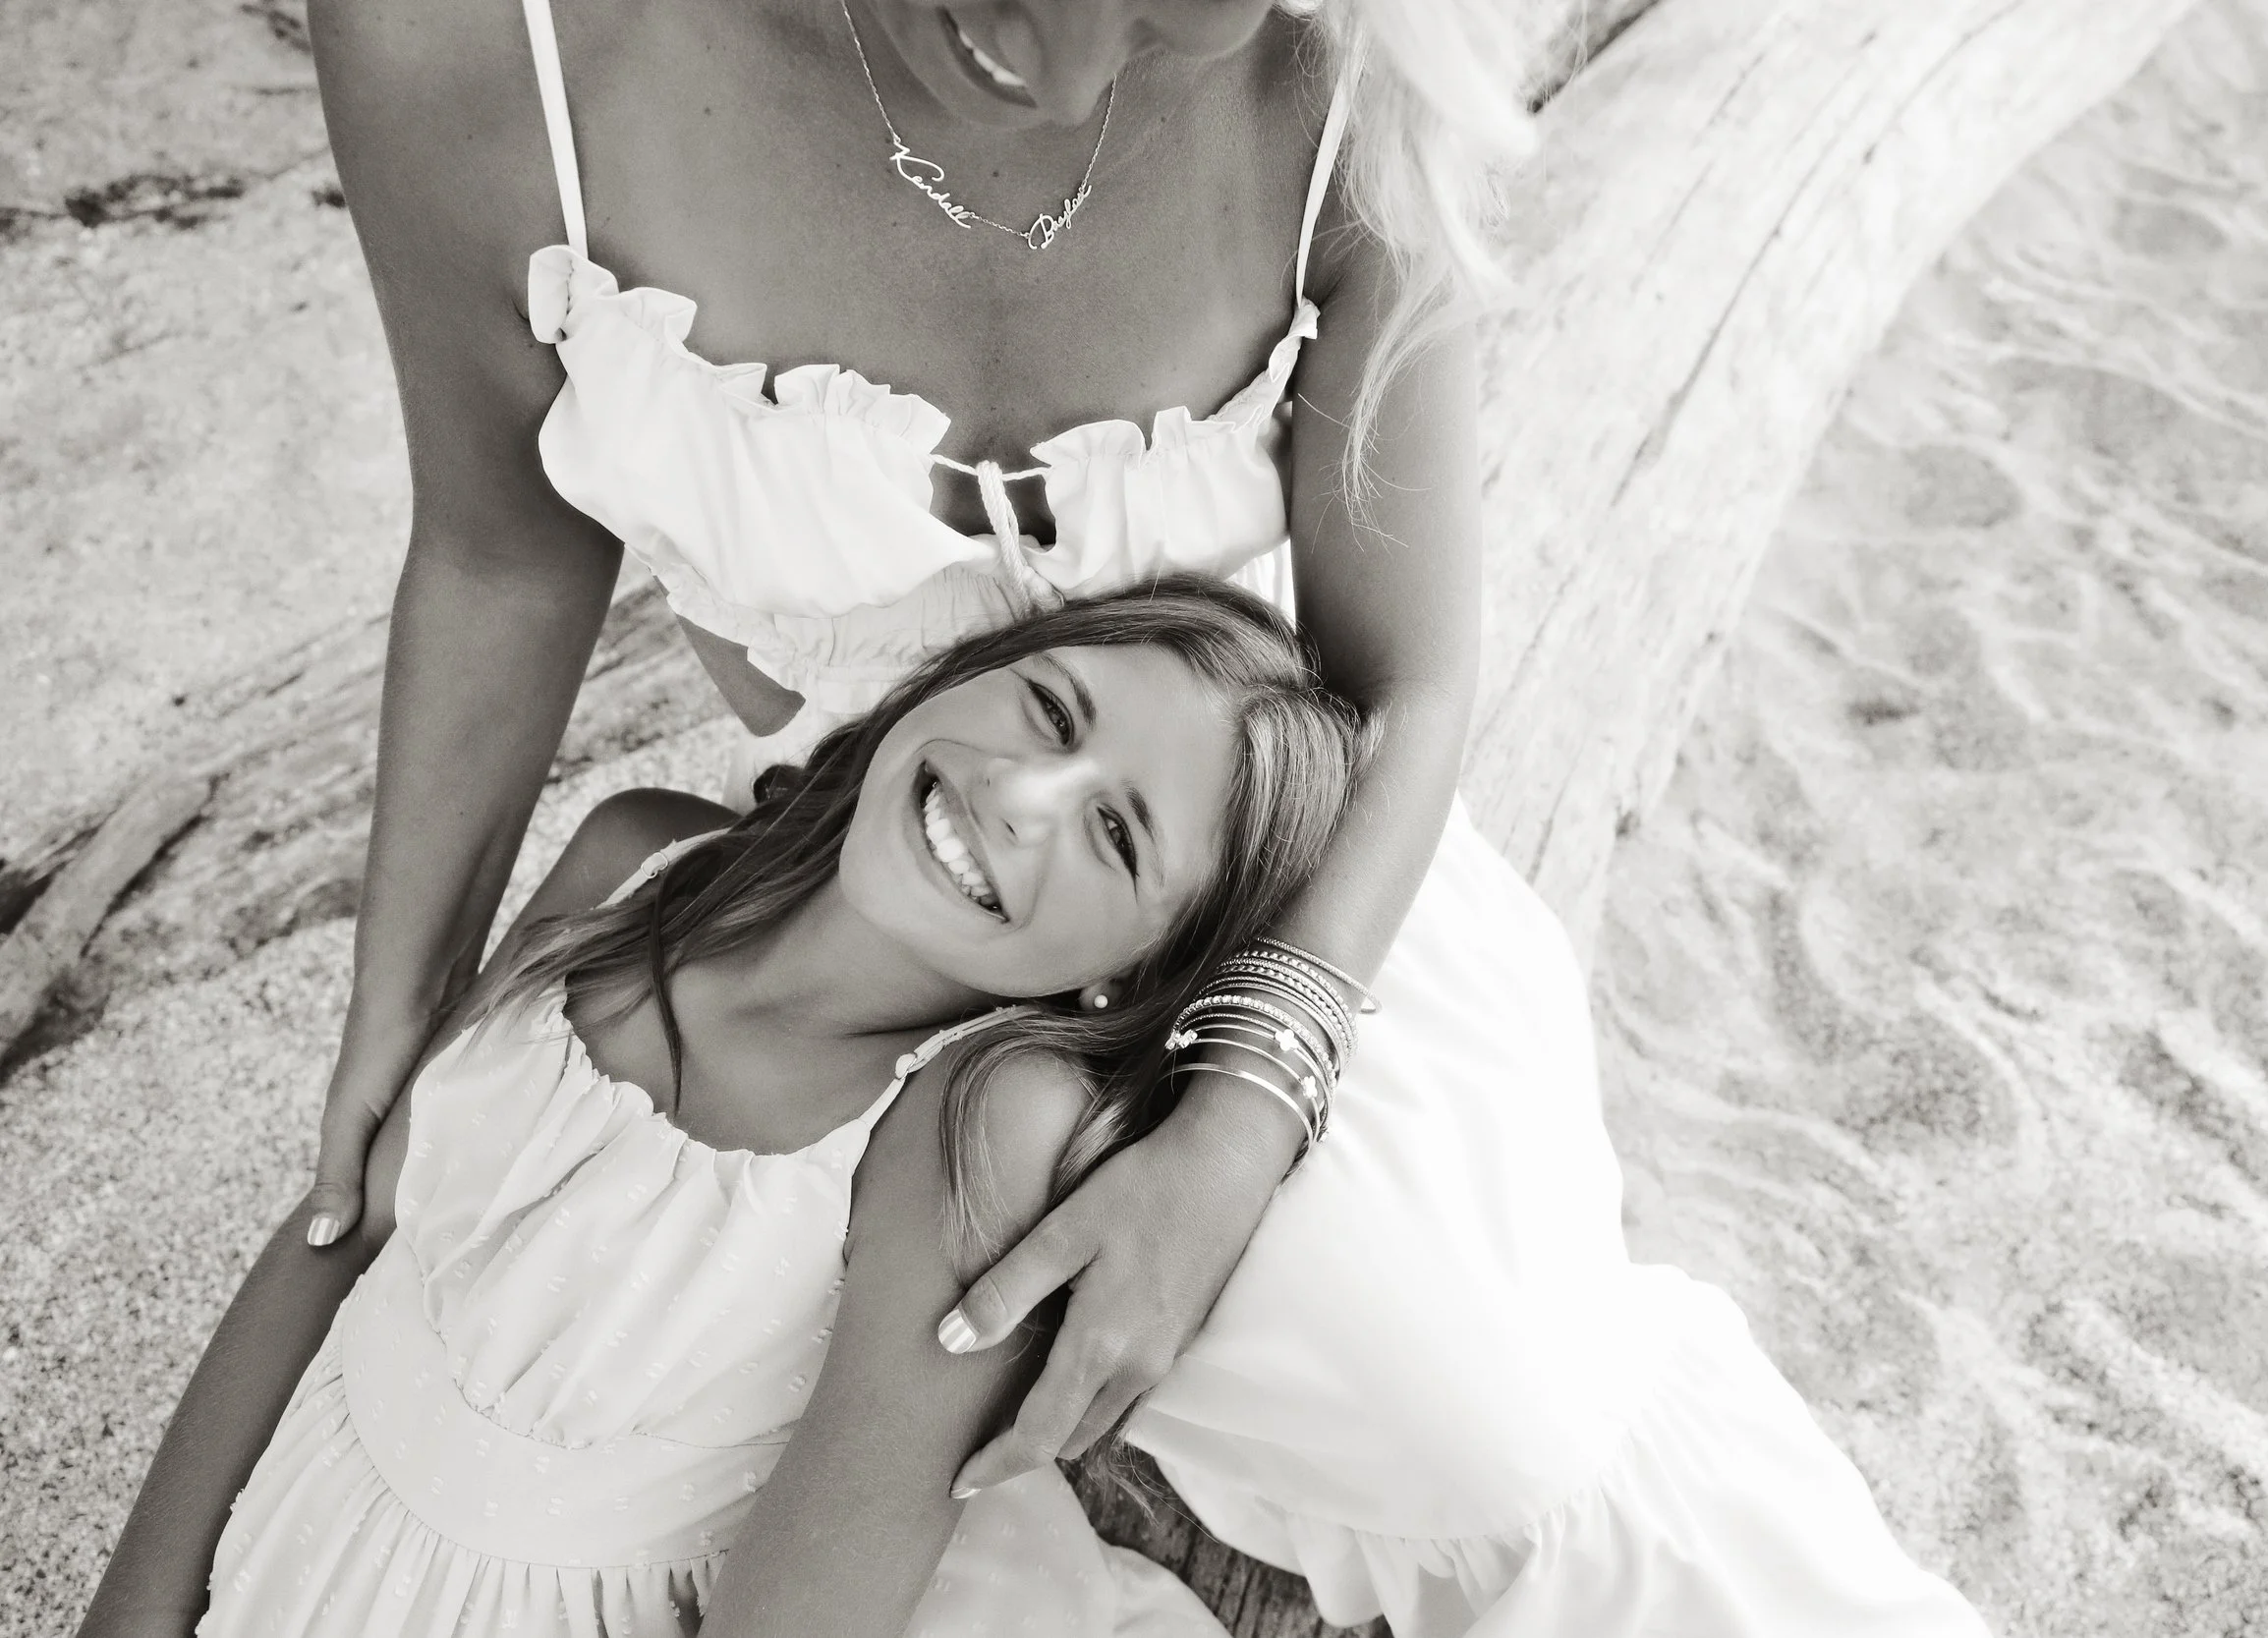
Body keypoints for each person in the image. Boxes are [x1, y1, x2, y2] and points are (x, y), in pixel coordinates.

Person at [263, 0, 1990, 1629]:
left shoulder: (1362, 73)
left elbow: (1407, 684)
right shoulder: (482, 44)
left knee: (1493, 1426)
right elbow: (501, 551)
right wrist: (399, 995)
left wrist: (1243, 1115)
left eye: (1174, 12)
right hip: (869, 845)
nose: (1072, 74)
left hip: (1248, 878)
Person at [79, 582, 1363, 1637]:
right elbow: (346, 1232)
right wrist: (137, 1610)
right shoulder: (634, 858)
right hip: (286, 1548)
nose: (1019, 796)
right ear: (968, 670)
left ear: (1136, 974)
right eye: (1047, 707)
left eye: (1117, 835)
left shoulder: (974, 1131)